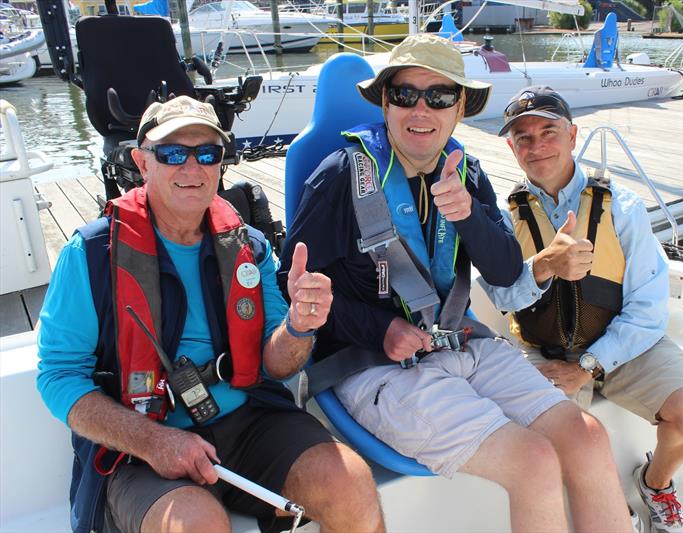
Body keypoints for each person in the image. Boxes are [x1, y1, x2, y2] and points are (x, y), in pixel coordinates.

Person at [279, 34, 632, 532]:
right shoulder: (339, 176)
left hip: (459, 343)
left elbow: (508, 270)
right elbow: (295, 288)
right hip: (374, 363)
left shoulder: (465, 172)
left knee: (588, 437)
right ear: (386, 101)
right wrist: (379, 330)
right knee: (533, 461)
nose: (421, 109)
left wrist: (469, 217)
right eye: (405, 94)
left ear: (460, 106)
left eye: (440, 95)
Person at [37, 96, 384, 533]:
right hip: (142, 447)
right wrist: (153, 441)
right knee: (196, 525)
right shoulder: (89, 255)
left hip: (250, 424)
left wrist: (299, 326)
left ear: (221, 163)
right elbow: (58, 375)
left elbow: (275, 366)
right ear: (142, 163)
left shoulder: (249, 246)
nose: (191, 167)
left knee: (351, 485)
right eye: (172, 153)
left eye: (206, 153)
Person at [489, 86, 683, 533]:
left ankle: (656, 484)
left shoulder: (624, 207)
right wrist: (540, 268)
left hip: (622, 345)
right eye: (523, 137)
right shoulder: (501, 216)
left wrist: (590, 366)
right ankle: (607, 504)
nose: (537, 146)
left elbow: (648, 310)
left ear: (573, 135)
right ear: (511, 147)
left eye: (548, 131)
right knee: (546, 442)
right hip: (544, 351)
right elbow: (499, 297)